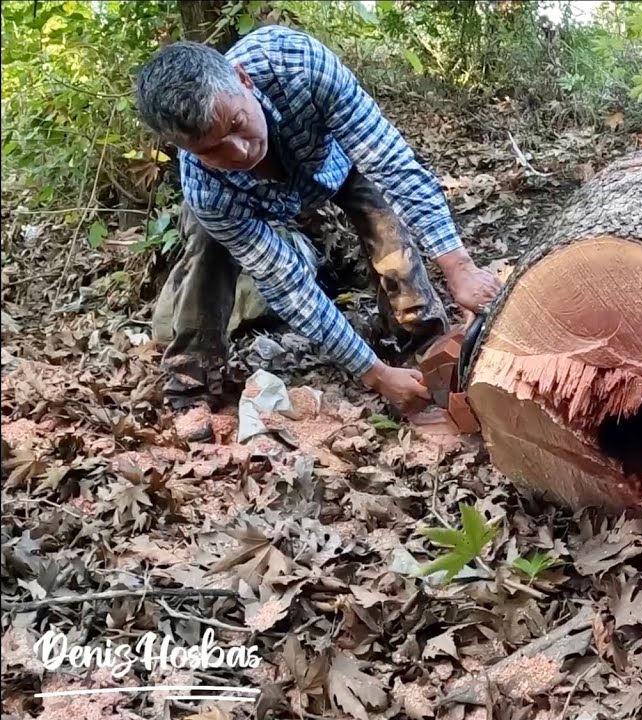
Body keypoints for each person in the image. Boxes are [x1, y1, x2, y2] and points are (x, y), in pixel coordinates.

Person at [134, 26, 501, 437]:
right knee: (208, 244)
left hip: (333, 163)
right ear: (185, 149)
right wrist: (374, 374)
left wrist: (459, 267)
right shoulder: (208, 188)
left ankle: (422, 341)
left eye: (237, 123)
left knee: (383, 215)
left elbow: (392, 164)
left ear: (243, 79)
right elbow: (288, 285)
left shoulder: (297, 63)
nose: (239, 152)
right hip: (249, 206)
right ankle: (191, 383)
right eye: (211, 149)